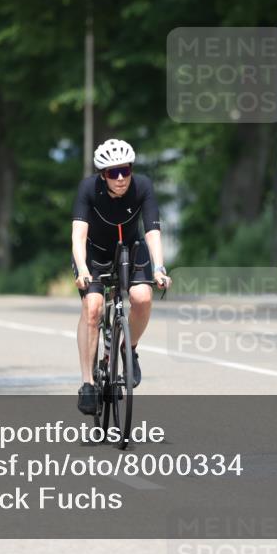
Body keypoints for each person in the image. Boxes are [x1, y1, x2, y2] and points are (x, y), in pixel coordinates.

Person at [71, 139, 171, 415]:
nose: (120, 178)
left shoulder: (143, 187)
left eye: (125, 171)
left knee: (142, 298)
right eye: (113, 172)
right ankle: (88, 383)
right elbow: (78, 235)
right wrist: (81, 268)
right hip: (94, 253)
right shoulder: (88, 189)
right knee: (93, 308)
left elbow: (152, 231)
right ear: (103, 174)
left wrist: (160, 267)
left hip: (130, 249)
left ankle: (130, 349)